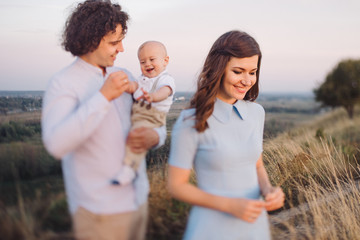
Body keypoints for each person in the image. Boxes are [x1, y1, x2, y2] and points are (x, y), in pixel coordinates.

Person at [41, 1, 166, 239]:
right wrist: (103, 96)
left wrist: (156, 136)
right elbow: (56, 144)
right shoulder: (63, 83)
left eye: (121, 40)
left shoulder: (126, 76)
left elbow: (154, 120)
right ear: (90, 39)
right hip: (98, 212)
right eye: (114, 42)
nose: (122, 48)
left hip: (138, 201)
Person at [167, 30, 285, 240]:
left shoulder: (257, 113)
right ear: (218, 69)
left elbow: (256, 165)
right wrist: (229, 205)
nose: (247, 80)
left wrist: (268, 190)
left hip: (254, 229)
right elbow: (176, 186)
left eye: (252, 72)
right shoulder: (190, 121)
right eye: (238, 71)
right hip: (211, 230)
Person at [111, 41, 175, 185]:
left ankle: (129, 169)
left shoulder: (165, 79)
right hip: (137, 114)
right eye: (142, 61)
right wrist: (126, 86)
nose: (147, 64)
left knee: (136, 136)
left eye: (152, 60)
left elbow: (166, 90)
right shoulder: (142, 79)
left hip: (152, 115)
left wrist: (154, 96)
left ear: (165, 61)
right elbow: (135, 86)